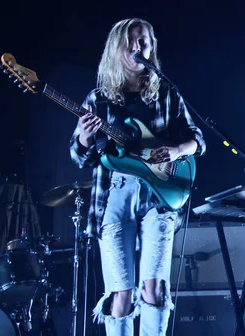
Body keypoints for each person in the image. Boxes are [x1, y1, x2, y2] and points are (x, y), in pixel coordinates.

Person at [69, 18, 206, 336]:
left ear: (151, 46)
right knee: (121, 293)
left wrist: (174, 152)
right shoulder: (98, 99)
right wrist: (86, 138)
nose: (137, 47)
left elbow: (196, 139)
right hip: (115, 194)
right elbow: (81, 157)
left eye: (143, 41)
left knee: (154, 288)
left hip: (158, 197)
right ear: (117, 48)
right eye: (130, 42)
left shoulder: (166, 93)